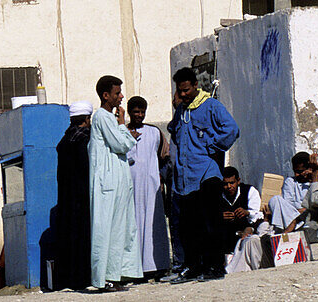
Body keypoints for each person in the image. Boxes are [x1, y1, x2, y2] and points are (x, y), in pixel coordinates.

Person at [167, 67, 239, 282]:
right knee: (188, 225)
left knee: (210, 223)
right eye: (180, 91)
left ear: (195, 86)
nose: (183, 95)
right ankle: (193, 266)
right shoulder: (182, 110)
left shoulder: (211, 106)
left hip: (206, 173)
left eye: (186, 90)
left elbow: (231, 129)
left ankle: (214, 267)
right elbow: (176, 131)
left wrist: (212, 145)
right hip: (185, 178)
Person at [89, 75, 143, 291]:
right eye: (117, 93)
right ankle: (104, 278)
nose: (121, 97)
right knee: (106, 230)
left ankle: (116, 274)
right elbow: (122, 144)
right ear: (106, 96)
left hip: (118, 182)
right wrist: (123, 125)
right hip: (107, 184)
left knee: (121, 229)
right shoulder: (102, 117)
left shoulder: (109, 118)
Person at [125, 96, 171, 278]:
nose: (139, 115)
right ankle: (134, 270)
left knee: (154, 225)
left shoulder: (154, 132)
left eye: (142, 112)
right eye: (136, 112)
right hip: (131, 188)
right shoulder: (122, 132)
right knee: (133, 225)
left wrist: (161, 176)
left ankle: (157, 266)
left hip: (152, 188)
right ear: (130, 112)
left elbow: (165, 157)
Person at [53, 101, 93, 290]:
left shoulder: (64, 140)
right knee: (82, 236)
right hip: (81, 196)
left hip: (65, 197)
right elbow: (86, 167)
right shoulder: (84, 138)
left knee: (68, 236)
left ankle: (65, 280)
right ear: (86, 119)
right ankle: (81, 279)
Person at [218, 167, 269, 273]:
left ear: (238, 181)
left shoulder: (249, 191)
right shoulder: (218, 195)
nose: (229, 187)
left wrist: (247, 213)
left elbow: (258, 215)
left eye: (232, 183)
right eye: (225, 184)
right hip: (226, 236)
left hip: (245, 232)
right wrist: (220, 216)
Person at [270, 151, 318, 243]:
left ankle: (290, 231)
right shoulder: (290, 181)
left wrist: (312, 180)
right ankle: (292, 229)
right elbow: (288, 206)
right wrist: (300, 211)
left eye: (300, 172)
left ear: (309, 169)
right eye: (295, 171)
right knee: (275, 200)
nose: (296, 175)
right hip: (292, 218)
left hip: (310, 218)